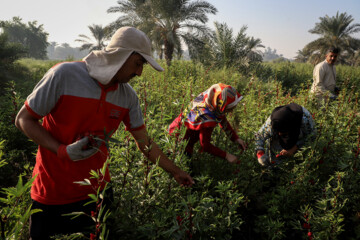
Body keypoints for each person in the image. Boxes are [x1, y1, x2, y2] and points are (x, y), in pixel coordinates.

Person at [15, 26, 194, 239]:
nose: (139, 72)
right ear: (121, 55)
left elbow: (144, 142)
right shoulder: (64, 75)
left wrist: (175, 171)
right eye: (138, 63)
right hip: (52, 192)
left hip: (97, 195)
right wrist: (62, 151)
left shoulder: (127, 97)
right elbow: (23, 119)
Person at [168, 83, 247, 163]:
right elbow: (205, 146)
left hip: (174, 129)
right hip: (179, 143)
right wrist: (227, 156)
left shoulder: (211, 99)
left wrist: (236, 139)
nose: (232, 111)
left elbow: (223, 120)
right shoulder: (206, 117)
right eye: (229, 109)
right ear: (221, 105)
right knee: (182, 170)